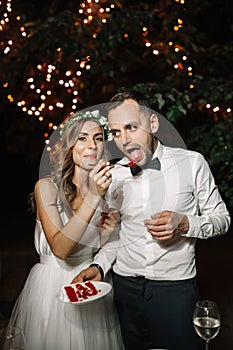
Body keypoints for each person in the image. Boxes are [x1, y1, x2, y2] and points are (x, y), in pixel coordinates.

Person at [72, 90, 231, 350]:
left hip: (175, 289)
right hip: (125, 289)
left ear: (153, 123)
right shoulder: (116, 175)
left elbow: (222, 219)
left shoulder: (192, 164)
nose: (124, 140)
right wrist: (100, 266)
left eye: (131, 127)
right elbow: (117, 233)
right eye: (116, 132)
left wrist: (187, 223)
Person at [7, 109, 125, 350]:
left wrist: (104, 241)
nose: (91, 145)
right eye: (82, 138)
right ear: (69, 145)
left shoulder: (110, 191)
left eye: (98, 138)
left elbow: (113, 243)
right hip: (51, 287)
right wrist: (93, 197)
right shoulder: (46, 187)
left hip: (90, 287)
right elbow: (60, 248)